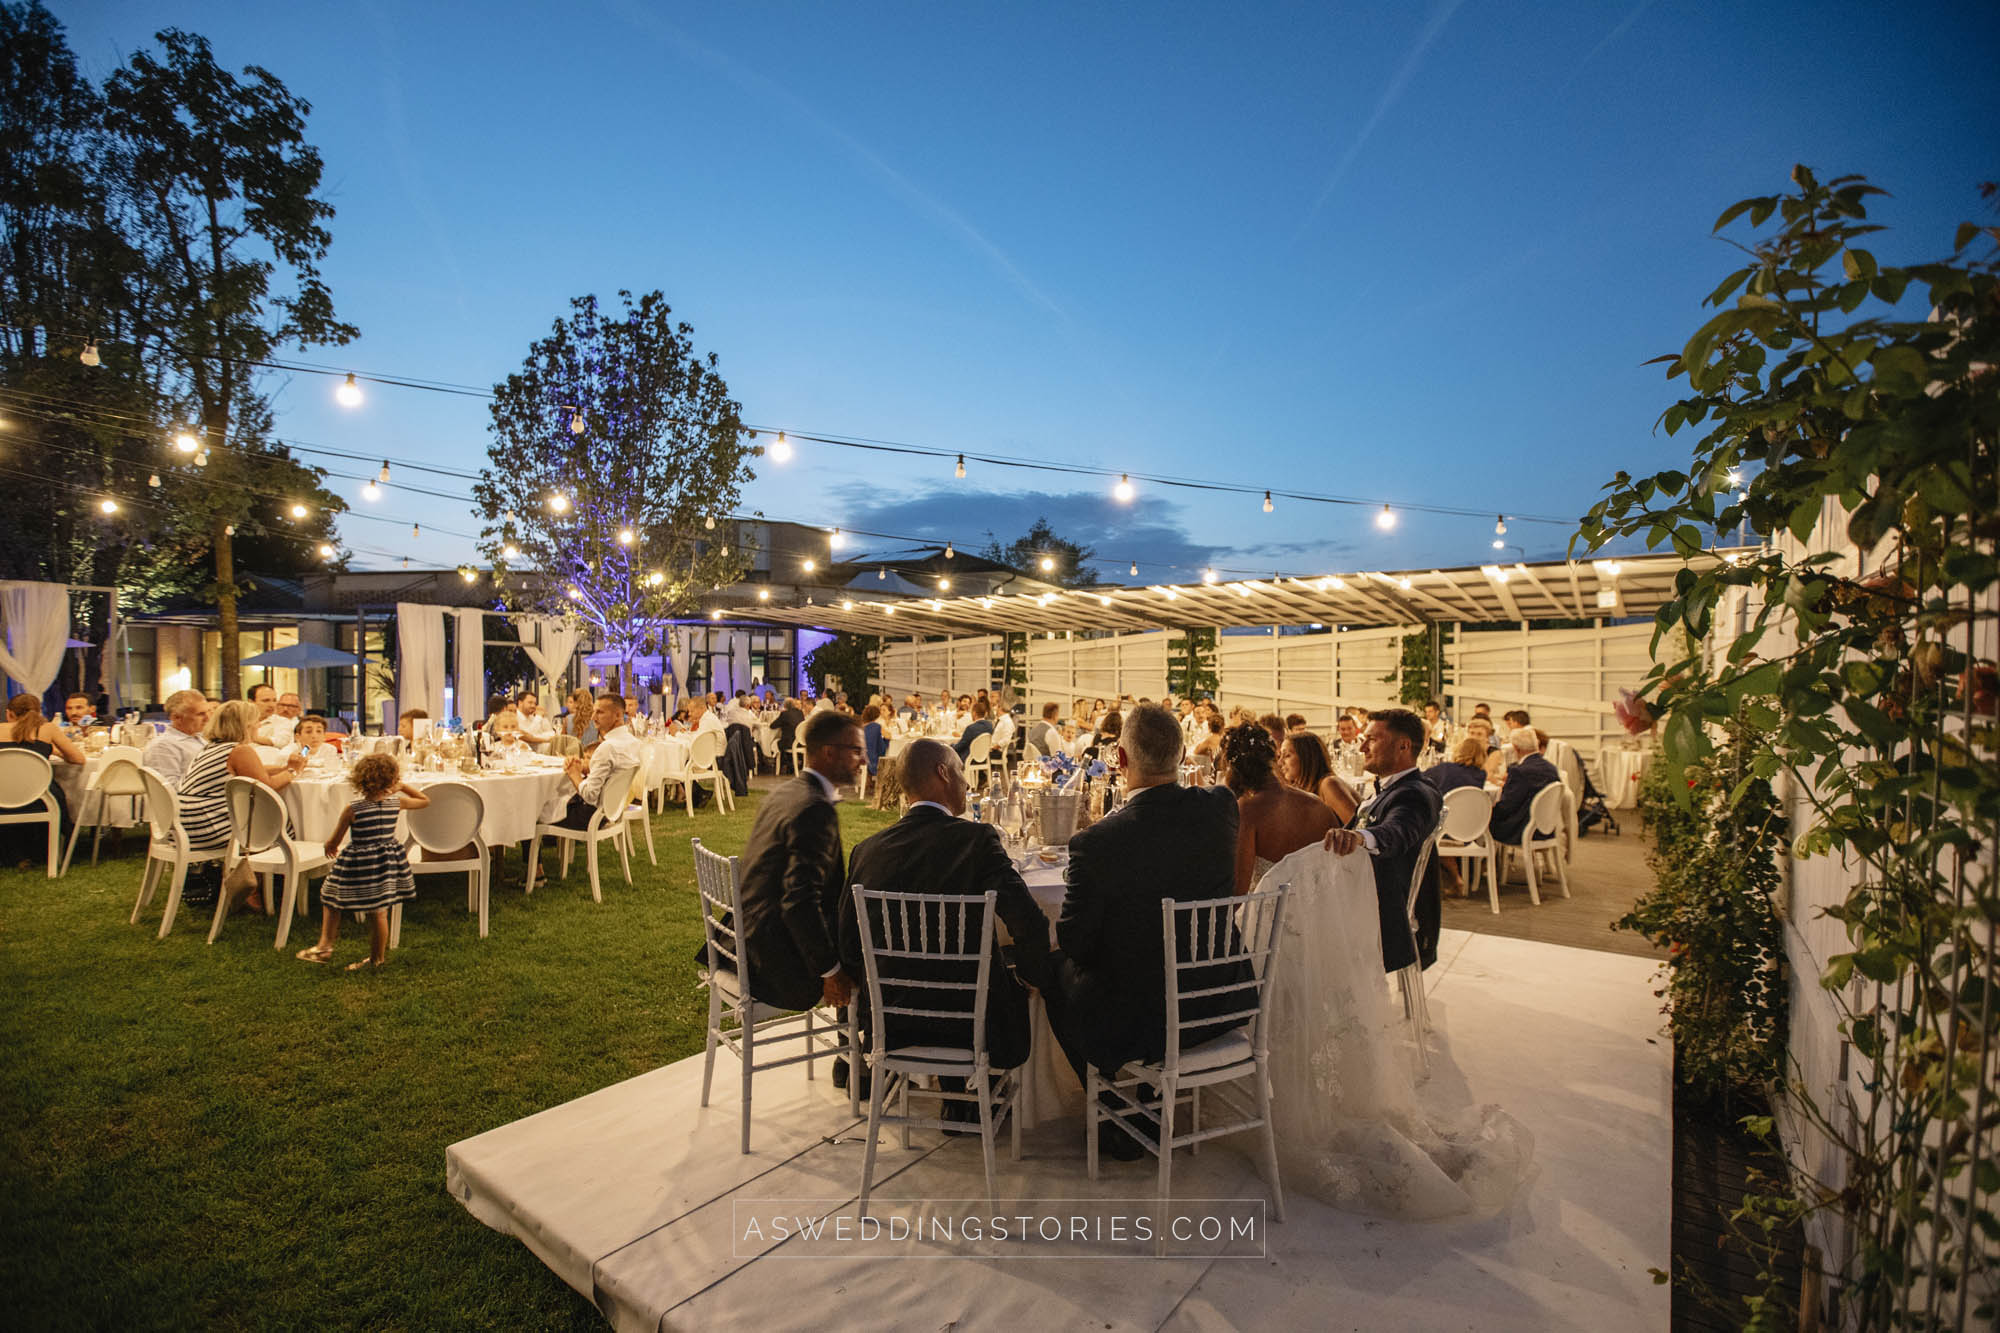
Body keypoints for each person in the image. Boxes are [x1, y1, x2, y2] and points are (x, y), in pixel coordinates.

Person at [1044, 703, 1248, 1161]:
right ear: (1180, 755)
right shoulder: (1220, 808)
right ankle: (1149, 1103)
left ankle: (1114, 1109)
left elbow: (1076, 944)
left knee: (1053, 968)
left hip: (1146, 1023)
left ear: (1119, 759)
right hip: (1221, 1002)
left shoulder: (1097, 843)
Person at [839, 738, 1053, 1122]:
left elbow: (849, 945)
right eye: (960, 773)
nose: (967, 785)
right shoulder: (976, 841)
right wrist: (1030, 977)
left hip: (894, 1023)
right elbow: (1030, 923)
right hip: (975, 1026)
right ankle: (973, 1095)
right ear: (942, 773)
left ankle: (952, 1093)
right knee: (1012, 971)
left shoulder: (866, 851)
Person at [734, 709, 866, 1020]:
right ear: (830, 753)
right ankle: (859, 1058)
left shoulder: (786, 792)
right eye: (856, 751)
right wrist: (830, 971)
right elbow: (799, 902)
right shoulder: (814, 809)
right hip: (777, 960)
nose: (863, 761)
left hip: (749, 939)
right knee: (879, 955)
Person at [1322, 708, 1441, 974]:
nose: (1361, 746)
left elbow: (1397, 832)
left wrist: (1359, 837)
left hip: (1382, 910)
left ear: (1403, 746)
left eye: (1372, 739)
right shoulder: (1393, 788)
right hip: (1361, 893)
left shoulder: (1414, 794)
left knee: (1285, 917)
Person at [299, 753, 430, 970]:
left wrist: (329, 846)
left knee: (331, 898)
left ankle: (325, 946)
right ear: (392, 779)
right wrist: (402, 786)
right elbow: (425, 800)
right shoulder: (396, 803)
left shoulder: (353, 809)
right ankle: (377, 959)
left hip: (359, 862)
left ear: (359, 780)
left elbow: (336, 838)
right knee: (378, 911)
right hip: (385, 863)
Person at [176, 700, 307, 911]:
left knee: (268, 822)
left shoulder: (212, 748)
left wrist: (283, 767)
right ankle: (270, 887)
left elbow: (256, 770)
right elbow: (268, 787)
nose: (258, 726)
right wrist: (293, 772)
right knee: (280, 824)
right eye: (255, 722)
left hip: (186, 824)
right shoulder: (240, 751)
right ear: (245, 725)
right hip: (207, 827)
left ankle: (263, 884)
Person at [1222, 723, 1335, 897]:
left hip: (1270, 919)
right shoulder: (1317, 803)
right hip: (1318, 913)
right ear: (1273, 756)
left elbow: (1237, 893)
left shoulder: (1248, 809)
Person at [1, 695, 82, 866]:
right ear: (38, 713)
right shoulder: (47, 729)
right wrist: (50, 749)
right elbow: (78, 758)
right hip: (39, 797)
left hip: (2, 797)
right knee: (55, 789)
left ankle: (13, 854)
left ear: (9, 714)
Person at [552, 694, 641, 830]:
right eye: (594, 712)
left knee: (537, 812)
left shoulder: (607, 747)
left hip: (593, 816)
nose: (593, 717)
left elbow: (590, 796)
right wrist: (587, 767)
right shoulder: (634, 742)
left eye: (599, 712)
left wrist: (574, 773)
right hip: (615, 810)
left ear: (617, 715)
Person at [1490, 727, 1560, 844]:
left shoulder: (1520, 772)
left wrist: (1488, 810)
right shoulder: (1551, 768)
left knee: (1482, 819)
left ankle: (1481, 859)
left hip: (1521, 829)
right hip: (1545, 828)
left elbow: (1507, 806)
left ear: (1516, 748)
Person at [1280, 729, 1359, 824]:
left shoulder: (1329, 784)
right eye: (1279, 756)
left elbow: (1359, 827)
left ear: (1307, 757)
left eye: (1287, 755)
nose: (1280, 762)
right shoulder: (1298, 787)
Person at [142, 689, 210, 786]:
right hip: (191, 799)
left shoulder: (202, 739)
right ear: (177, 718)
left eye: (207, 712)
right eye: (200, 714)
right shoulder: (163, 746)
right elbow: (168, 788)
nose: (207, 718)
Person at [1424, 737, 1490, 798]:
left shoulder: (1446, 768)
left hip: (1443, 808)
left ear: (1459, 751)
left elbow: (1422, 777)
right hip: (1469, 809)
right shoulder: (1482, 775)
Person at [774, 695, 806, 772]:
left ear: (784, 705)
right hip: (801, 742)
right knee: (786, 738)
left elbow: (773, 726)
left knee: (775, 742)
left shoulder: (784, 714)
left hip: (788, 743)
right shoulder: (800, 713)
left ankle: (781, 764)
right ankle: (789, 764)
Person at [860, 704, 889, 777]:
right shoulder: (876, 726)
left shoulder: (861, 726)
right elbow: (888, 736)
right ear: (876, 716)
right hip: (872, 758)